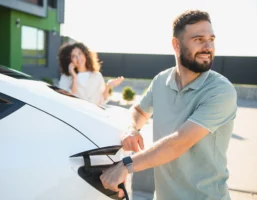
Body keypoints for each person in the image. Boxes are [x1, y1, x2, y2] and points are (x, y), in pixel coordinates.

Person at [100, 10, 237, 200]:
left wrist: (126, 165)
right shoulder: (161, 80)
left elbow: (179, 142)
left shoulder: (221, 91)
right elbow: (139, 111)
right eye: (198, 39)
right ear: (176, 44)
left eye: (211, 39)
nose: (208, 47)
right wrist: (133, 128)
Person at [58, 42, 124, 105]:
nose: (78, 58)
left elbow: (101, 100)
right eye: (73, 56)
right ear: (69, 60)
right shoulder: (66, 78)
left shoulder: (97, 76)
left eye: (80, 53)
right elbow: (66, 99)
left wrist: (108, 86)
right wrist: (74, 78)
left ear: (85, 54)